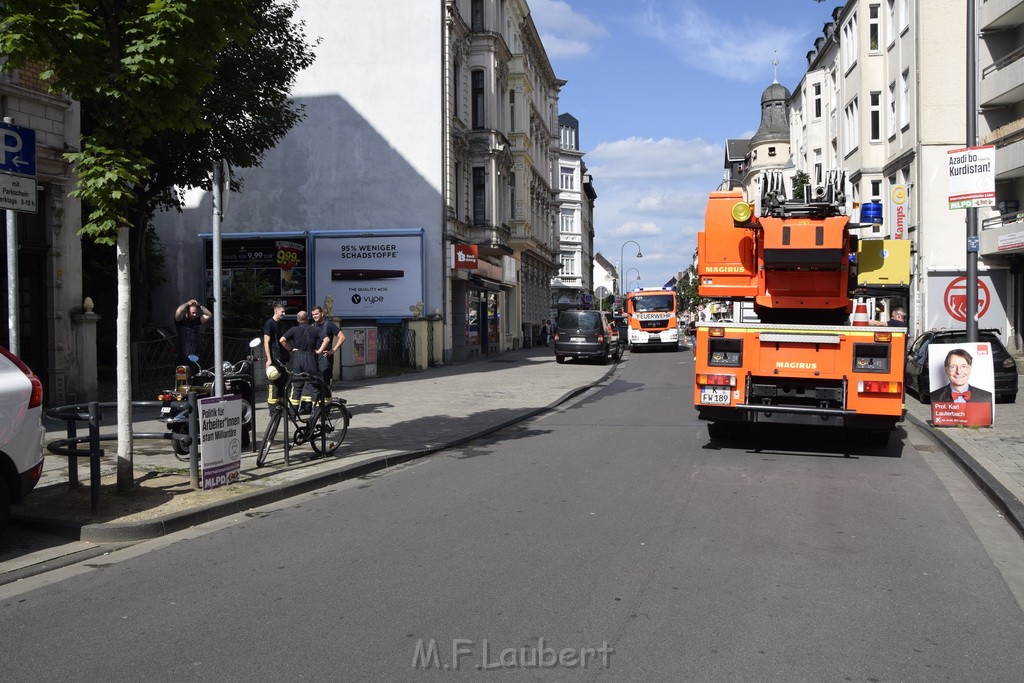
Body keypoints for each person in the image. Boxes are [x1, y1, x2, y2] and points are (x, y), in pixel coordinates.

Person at [280, 310, 329, 414]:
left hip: (297, 357)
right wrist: (319, 351)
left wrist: (290, 349)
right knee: (313, 385)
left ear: (298, 320)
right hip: (310, 357)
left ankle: (293, 413)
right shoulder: (315, 329)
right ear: (307, 319)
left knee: (296, 386)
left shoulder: (293, 329)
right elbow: (327, 339)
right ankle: (316, 413)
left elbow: (282, 340)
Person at [311, 305, 345, 397]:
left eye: (316, 314)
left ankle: (327, 407)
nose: (314, 316)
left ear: (322, 314)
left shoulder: (329, 325)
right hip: (314, 357)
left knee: (325, 383)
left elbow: (342, 337)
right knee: (314, 382)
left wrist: (333, 350)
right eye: (313, 314)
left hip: (325, 358)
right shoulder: (312, 326)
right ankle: (316, 406)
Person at [262, 303, 288, 409]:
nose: (284, 313)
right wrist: (269, 359)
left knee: (282, 381)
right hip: (274, 358)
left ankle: (281, 407)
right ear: (276, 311)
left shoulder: (278, 324)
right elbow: (266, 342)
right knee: (273, 383)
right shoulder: (269, 324)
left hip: (280, 357)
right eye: (282, 311)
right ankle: (273, 409)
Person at [174, 298, 211, 364]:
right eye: (193, 313)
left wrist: (199, 305)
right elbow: (178, 312)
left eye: (196, 313)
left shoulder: (196, 321)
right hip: (184, 356)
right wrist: (187, 303)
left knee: (197, 373)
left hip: (195, 355)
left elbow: (209, 315)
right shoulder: (181, 321)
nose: (195, 315)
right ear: (186, 313)